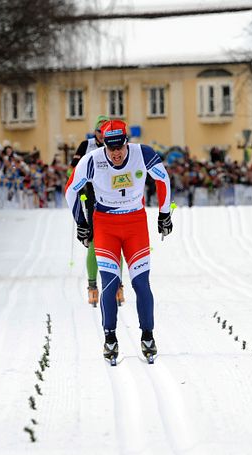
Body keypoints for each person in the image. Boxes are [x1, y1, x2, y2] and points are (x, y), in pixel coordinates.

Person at [65, 119, 172, 364]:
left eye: (119, 147)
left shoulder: (142, 153)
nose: (115, 153)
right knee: (110, 284)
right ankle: (110, 338)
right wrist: (81, 222)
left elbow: (163, 179)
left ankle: (147, 336)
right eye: (110, 148)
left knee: (141, 283)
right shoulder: (92, 160)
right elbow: (71, 189)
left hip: (135, 224)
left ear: (126, 141)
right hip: (105, 225)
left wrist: (165, 214)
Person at [71, 115, 126, 307]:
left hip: (115, 198)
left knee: (117, 241)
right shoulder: (86, 145)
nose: (104, 136)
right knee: (95, 241)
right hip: (91, 196)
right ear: (96, 132)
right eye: (100, 132)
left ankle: (118, 285)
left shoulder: (116, 146)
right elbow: (73, 170)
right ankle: (92, 286)